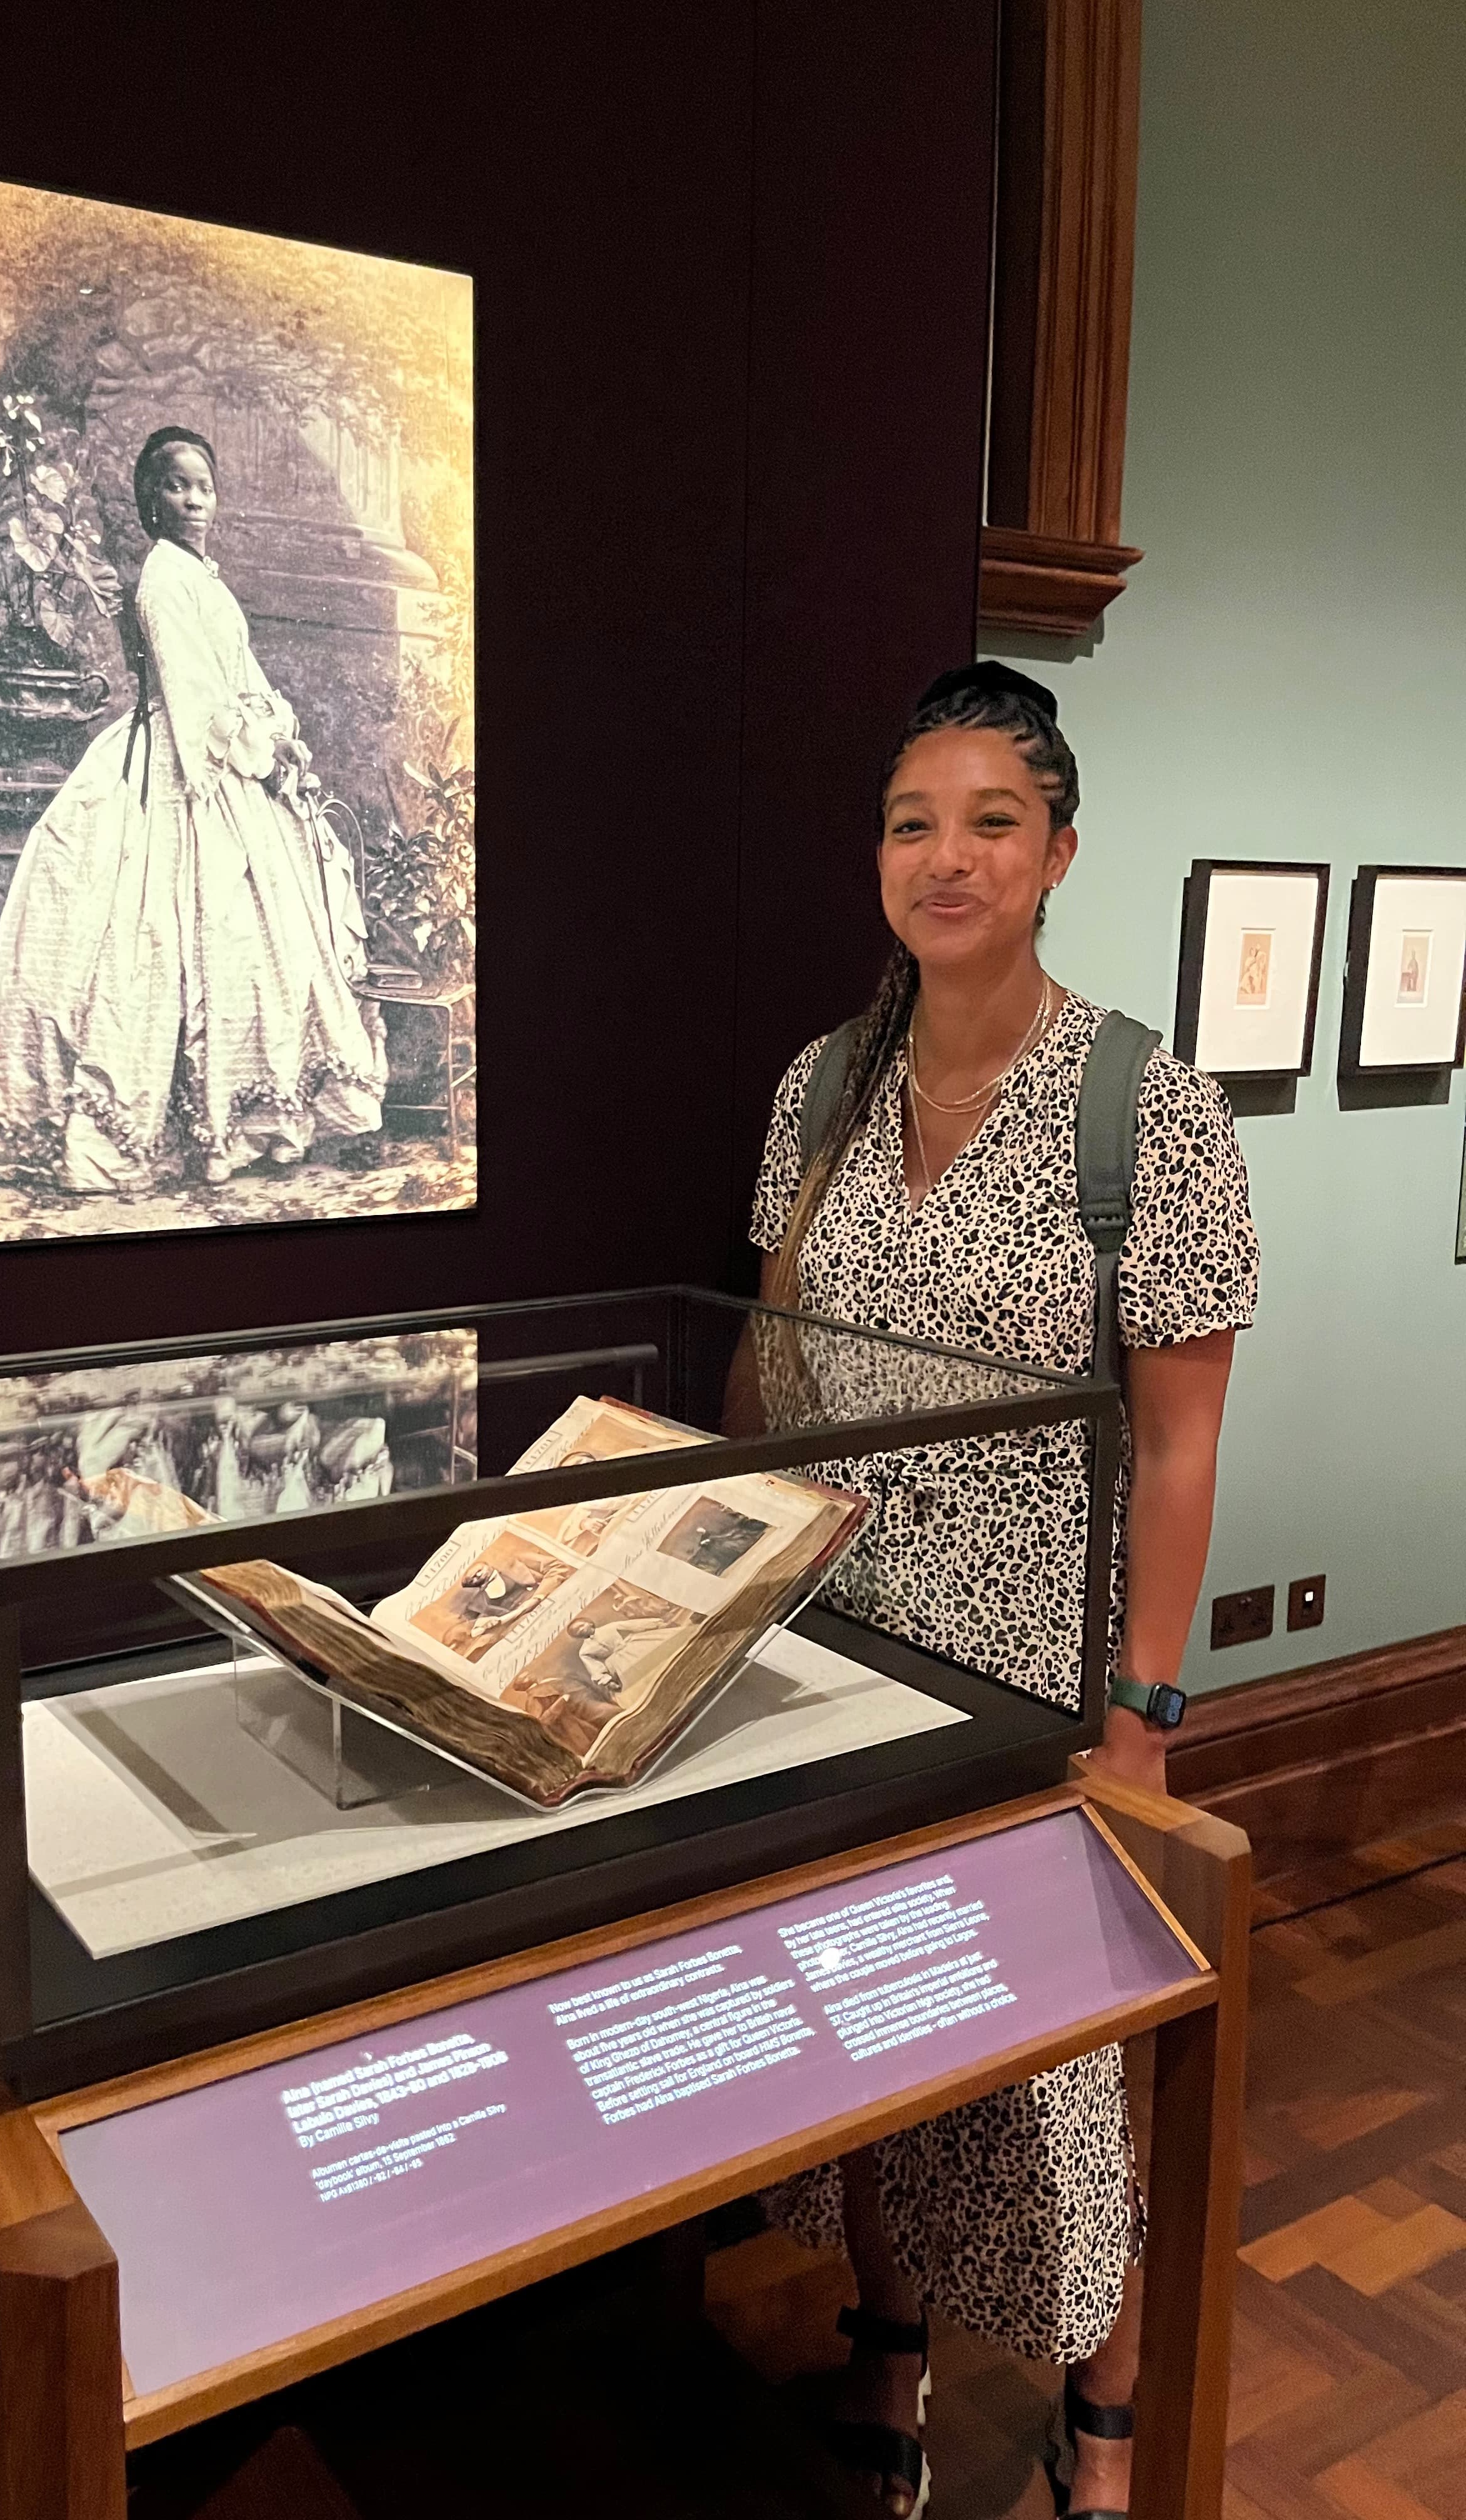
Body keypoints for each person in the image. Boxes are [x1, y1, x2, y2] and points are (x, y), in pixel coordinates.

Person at [732, 661, 1259, 2518]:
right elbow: (773, 1367)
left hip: (1041, 1671)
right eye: (909, 821)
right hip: (844, 1653)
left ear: (1056, 854)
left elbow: (1184, 1443)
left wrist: (1147, 1713)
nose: (942, 857)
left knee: (1064, 2059)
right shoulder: (822, 1088)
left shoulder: (1146, 1107)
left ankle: (1102, 2407)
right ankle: (891, 2341)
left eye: (988, 822)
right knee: (875, 2024)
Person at [0, 426, 386, 1194]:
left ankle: (268, 1116)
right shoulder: (162, 579)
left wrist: (277, 734)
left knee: (262, 941)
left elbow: (240, 673)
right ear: (151, 501)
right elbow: (192, 696)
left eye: (204, 486)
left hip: (226, 757)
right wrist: (253, 750)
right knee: (155, 935)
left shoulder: (205, 578)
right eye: (176, 486)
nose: (194, 499)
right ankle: (173, 1126)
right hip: (177, 766)